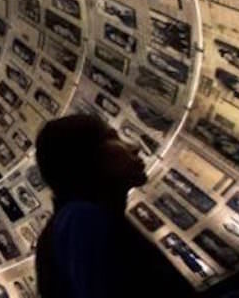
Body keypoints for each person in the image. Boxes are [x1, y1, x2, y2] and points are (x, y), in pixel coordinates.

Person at [34, 114, 195, 297]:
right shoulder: (81, 220)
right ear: (83, 158)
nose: (134, 147)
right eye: (112, 138)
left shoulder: (76, 222)